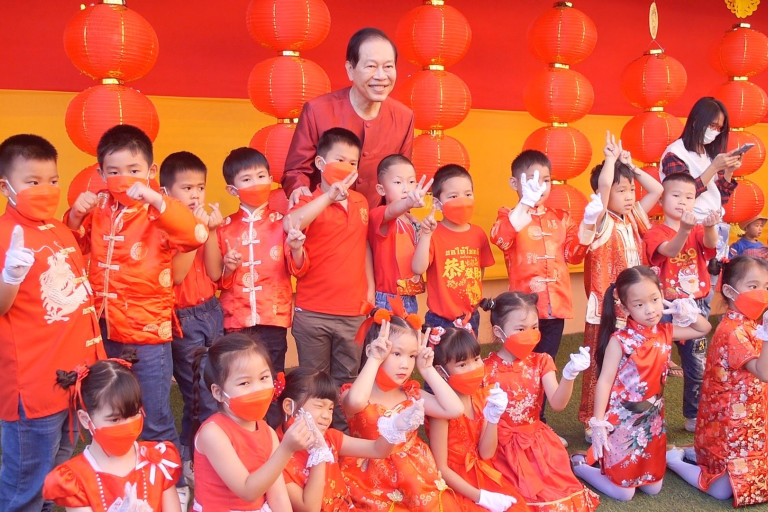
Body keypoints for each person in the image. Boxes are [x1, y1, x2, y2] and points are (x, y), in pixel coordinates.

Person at [67, 124, 205, 506]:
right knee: (110, 411)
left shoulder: (160, 210)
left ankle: (173, 490)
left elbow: (195, 235)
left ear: (151, 170)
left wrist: (157, 200)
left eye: (133, 169)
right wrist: (75, 215)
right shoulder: (98, 208)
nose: (123, 178)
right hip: (104, 331)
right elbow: (74, 246)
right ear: (100, 172)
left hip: (148, 334)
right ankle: (118, 487)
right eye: (113, 171)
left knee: (155, 417)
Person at [0, 134, 103, 512]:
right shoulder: (4, 236)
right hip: (34, 387)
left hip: (72, 381)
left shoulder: (58, 229)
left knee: (55, 475)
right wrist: (10, 276)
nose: (46, 189)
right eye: (33, 181)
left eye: (53, 180)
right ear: (5, 187)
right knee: (25, 486)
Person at [572, 266, 711, 501]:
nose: (650, 310)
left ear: (662, 295)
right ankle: (582, 467)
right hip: (622, 421)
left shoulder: (665, 331)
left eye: (655, 299)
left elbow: (703, 329)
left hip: (652, 420)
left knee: (652, 487)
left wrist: (686, 311)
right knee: (624, 493)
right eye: (639, 304)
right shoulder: (620, 340)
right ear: (625, 308)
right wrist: (598, 422)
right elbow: (604, 381)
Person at [210, 147, 307, 426]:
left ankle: (272, 433)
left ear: (270, 179)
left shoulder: (283, 224)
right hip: (235, 319)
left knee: (272, 378)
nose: (256, 183)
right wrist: (229, 267)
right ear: (232, 189)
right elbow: (218, 281)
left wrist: (297, 248)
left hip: (272, 318)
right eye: (247, 179)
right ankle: (237, 431)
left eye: (261, 176)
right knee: (236, 378)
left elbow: (297, 269)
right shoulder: (224, 228)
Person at [284, 127, 372, 430]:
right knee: (314, 385)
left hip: (353, 312)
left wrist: (370, 290)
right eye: (340, 160)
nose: (347, 167)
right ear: (320, 163)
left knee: (346, 383)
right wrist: (328, 198)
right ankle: (312, 441)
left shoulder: (361, 202)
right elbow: (291, 223)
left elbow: (364, 247)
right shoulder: (306, 201)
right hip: (313, 313)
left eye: (353, 162)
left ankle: (341, 440)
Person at [480, 292, 598, 511]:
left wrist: (569, 375)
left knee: (555, 494)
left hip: (537, 445)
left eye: (534, 327)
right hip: (499, 447)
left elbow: (558, 404)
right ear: (498, 331)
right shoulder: (484, 368)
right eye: (520, 329)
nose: (530, 334)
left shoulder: (541, 361)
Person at [578, 132, 662, 440]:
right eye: (621, 190)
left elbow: (657, 189)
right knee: (600, 365)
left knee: (631, 363)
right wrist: (610, 161)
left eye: (631, 190)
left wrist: (631, 166)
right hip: (606, 310)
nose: (629, 196)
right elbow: (603, 188)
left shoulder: (632, 218)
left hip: (635, 308)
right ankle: (592, 421)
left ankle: (623, 413)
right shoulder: (601, 219)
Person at [490, 150, 596, 390]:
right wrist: (525, 204)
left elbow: (574, 255)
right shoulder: (508, 215)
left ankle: (540, 411)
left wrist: (589, 224)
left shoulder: (561, 218)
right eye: (532, 180)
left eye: (546, 180)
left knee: (546, 366)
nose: (540, 187)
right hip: (521, 310)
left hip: (555, 308)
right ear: (514, 183)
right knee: (519, 366)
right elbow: (501, 239)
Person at [666, 256, 768, 506]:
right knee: (722, 491)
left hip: (750, 421)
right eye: (753, 286)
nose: (762, 293)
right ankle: (674, 460)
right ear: (730, 292)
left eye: (766, 286)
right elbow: (763, 372)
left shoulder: (749, 323)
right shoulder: (734, 330)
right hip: (729, 428)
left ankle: (692, 453)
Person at [340, 315, 464, 510]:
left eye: (412, 356)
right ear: (372, 350)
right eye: (397, 354)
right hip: (371, 479)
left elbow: (454, 409)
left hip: (416, 475)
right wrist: (374, 359)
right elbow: (355, 402)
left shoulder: (411, 394)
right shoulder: (354, 394)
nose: (405, 364)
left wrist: (427, 370)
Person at [283, 27, 414, 208]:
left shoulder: (404, 117)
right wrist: (299, 189)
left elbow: (401, 176)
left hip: (376, 218)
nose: (381, 76)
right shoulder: (317, 110)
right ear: (350, 69)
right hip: (325, 216)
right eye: (371, 66)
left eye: (388, 67)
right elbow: (296, 171)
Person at [159, 151, 225, 487]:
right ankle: (195, 460)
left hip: (211, 310)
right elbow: (176, 276)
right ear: (166, 193)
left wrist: (209, 232)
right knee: (199, 395)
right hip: (184, 318)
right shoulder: (166, 228)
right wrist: (195, 233)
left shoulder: (201, 224)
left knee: (217, 386)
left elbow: (214, 273)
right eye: (187, 188)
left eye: (200, 187)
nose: (196, 194)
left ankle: (202, 455)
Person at [191, 333, 314, 511]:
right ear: (218, 392)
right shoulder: (213, 433)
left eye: (264, 378)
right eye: (244, 383)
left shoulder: (267, 432)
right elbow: (247, 491)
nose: (258, 389)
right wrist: (286, 449)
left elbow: (278, 496)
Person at [43, 357, 181, 511]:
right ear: (85, 419)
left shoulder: (159, 459)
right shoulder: (76, 479)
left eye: (134, 414)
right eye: (115, 419)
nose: (127, 425)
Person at [277, 367, 416, 512]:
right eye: (319, 406)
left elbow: (377, 450)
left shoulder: (330, 437)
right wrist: (319, 452)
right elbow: (310, 509)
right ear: (289, 406)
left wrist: (397, 427)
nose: (326, 416)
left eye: (330, 409)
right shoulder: (277, 454)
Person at [643, 173, 719, 432]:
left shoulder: (696, 229)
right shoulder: (654, 231)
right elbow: (669, 250)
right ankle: (651, 414)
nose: (683, 201)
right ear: (661, 200)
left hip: (695, 305)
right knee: (656, 362)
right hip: (664, 306)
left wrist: (710, 226)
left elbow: (710, 245)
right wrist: (685, 229)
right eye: (676, 195)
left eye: (689, 197)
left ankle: (693, 414)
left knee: (697, 364)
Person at [428, 326, 529, 512]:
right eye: (462, 365)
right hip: (456, 483)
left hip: (484, 472)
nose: (473, 368)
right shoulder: (440, 412)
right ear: (441, 371)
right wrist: (481, 497)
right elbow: (441, 468)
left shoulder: (483, 396)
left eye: (476, 359)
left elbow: (486, 453)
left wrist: (493, 418)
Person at [412, 164, 495, 333]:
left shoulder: (478, 233)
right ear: (438, 203)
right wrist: (426, 235)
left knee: (469, 351)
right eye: (453, 196)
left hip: (471, 316)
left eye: (468, 194)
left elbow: (480, 270)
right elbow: (418, 268)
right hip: (440, 319)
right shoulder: (433, 233)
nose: (462, 201)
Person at [660, 96, 741, 220]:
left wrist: (729, 171)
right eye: (712, 125)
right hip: (688, 223)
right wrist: (713, 167)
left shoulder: (709, 153)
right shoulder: (675, 153)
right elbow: (682, 194)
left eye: (719, 128)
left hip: (714, 222)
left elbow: (722, 198)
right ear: (696, 121)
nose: (715, 131)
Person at [368, 155, 430, 314]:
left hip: (410, 297)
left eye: (411, 182)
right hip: (386, 298)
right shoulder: (379, 215)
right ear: (381, 189)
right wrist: (408, 203)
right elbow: (392, 211)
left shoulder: (413, 221)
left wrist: (426, 233)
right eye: (398, 182)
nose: (406, 189)